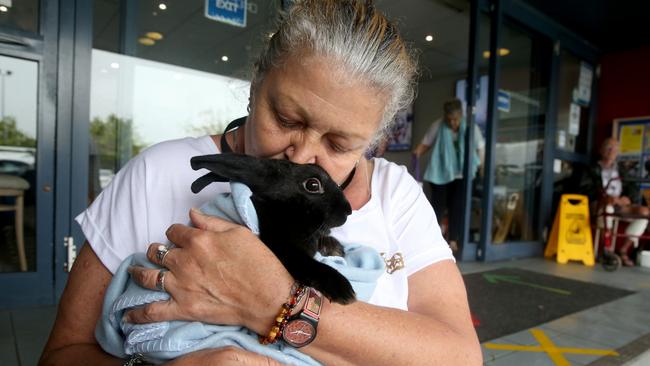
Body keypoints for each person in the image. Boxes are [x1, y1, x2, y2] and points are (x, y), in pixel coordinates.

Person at [39, 1, 481, 365]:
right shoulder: (159, 173)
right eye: (286, 118)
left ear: (374, 142)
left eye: (340, 143)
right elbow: (62, 353)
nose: (303, 155)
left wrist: (275, 302)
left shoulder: (397, 196)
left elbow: (460, 356)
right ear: (255, 84)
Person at [412, 99, 485, 254]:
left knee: (457, 207)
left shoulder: (471, 128)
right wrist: (417, 154)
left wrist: (481, 168)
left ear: (461, 115)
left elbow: (480, 148)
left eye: (456, 119)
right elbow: (426, 143)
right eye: (449, 119)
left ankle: (453, 239)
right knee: (437, 206)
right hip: (440, 173)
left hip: (461, 174)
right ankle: (434, 239)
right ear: (445, 116)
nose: (452, 123)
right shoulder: (438, 125)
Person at [582, 137, 649, 267]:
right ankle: (607, 250)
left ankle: (624, 249)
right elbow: (585, 189)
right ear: (601, 150)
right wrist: (605, 197)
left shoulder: (622, 169)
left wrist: (627, 199)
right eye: (608, 147)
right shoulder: (591, 169)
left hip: (620, 205)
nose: (612, 151)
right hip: (601, 204)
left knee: (644, 212)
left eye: (615, 148)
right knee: (607, 208)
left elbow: (633, 188)